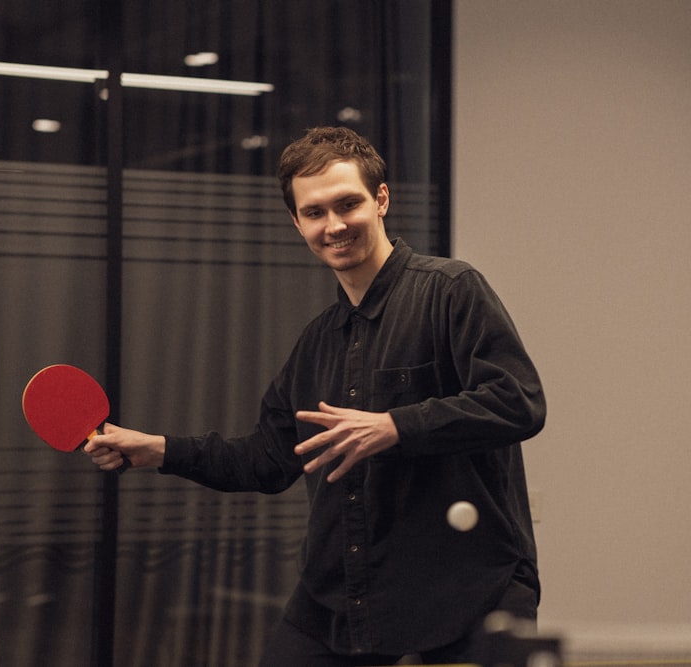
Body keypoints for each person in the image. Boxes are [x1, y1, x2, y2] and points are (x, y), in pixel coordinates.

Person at [84, 126, 547, 666]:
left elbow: (518, 400)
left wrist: (395, 426)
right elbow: (266, 461)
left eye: (347, 204)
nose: (334, 225)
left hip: (468, 593)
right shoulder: (317, 342)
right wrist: (158, 449)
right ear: (297, 222)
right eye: (314, 212)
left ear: (381, 200)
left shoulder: (450, 289)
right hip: (340, 599)